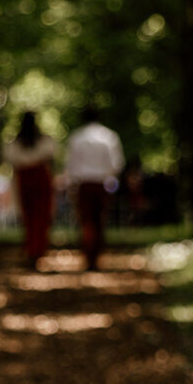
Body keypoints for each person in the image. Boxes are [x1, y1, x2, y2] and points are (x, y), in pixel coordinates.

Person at [65, 107, 124, 271]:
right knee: (99, 220)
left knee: (86, 220)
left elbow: (71, 165)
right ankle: (95, 254)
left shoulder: (76, 138)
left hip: (84, 184)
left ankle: (89, 254)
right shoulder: (109, 137)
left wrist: (73, 182)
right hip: (101, 184)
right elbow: (116, 164)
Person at [4, 110, 56, 269]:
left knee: (30, 216)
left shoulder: (16, 143)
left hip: (26, 179)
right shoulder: (43, 141)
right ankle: (36, 249)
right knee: (39, 216)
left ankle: (33, 249)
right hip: (38, 179)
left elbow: (12, 159)